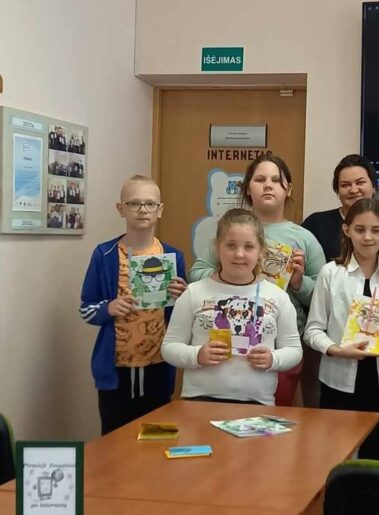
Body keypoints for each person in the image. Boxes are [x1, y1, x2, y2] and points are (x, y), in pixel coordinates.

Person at [189, 154, 324, 406]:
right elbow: (196, 274)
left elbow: (323, 298)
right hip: (227, 336)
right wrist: (227, 274)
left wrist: (298, 282)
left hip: (280, 342)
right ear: (248, 188)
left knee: (274, 418)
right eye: (260, 179)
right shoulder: (231, 231)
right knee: (224, 414)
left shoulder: (304, 238)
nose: (268, 185)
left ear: (288, 188)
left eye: (276, 180)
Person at [79, 175, 187, 435]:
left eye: (150, 204)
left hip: (158, 366)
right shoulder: (104, 255)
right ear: (121, 209)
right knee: (114, 438)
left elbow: (183, 315)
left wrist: (183, 296)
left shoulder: (173, 257)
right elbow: (86, 308)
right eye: (134, 203)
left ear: (160, 210)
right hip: (116, 371)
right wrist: (108, 308)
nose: (142, 210)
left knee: (157, 438)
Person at [162, 208, 302, 404]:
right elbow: (169, 347)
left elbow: (294, 350)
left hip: (257, 403)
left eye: (249, 247)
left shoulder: (278, 296)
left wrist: (273, 359)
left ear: (261, 250)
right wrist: (197, 355)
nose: (239, 254)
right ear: (217, 247)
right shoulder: (194, 292)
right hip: (199, 401)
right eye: (230, 245)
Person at [304, 198, 379, 460]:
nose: (368, 237)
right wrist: (337, 350)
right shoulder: (330, 273)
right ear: (346, 230)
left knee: (375, 458)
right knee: (335, 457)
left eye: (375, 230)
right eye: (360, 229)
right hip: (338, 381)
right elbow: (312, 331)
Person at [301, 154, 379, 267]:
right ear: (337, 191)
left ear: (373, 187)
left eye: (360, 182)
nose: (353, 190)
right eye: (345, 185)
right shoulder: (316, 224)